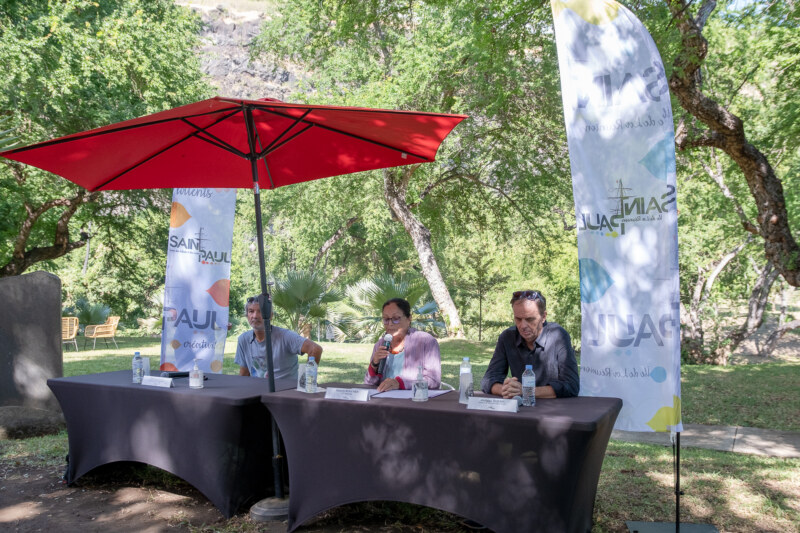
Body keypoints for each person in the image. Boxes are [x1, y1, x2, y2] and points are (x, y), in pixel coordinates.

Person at [481, 290, 579, 399]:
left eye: (530, 319)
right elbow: (487, 380)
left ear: (543, 317)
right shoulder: (507, 337)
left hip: (552, 411)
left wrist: (526, 391)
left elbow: (572, 386)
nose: (523, 325)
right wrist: (506, 390)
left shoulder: (558, 336)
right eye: (518, 319)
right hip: (520, 410)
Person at [235, 296, 322, 381]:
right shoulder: (243, 339)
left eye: (261, 311)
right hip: (258, 391)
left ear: (271, 316)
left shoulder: (285, 336)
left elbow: (315, 349)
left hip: (285, 392)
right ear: (247, 315)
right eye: (251, 311)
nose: (255, 316)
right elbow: (244, 374)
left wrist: (307, 380)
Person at [364, 298, 441, 392]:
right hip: (383, 400)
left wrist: (400, 383)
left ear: (409, 319)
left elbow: (433, 381)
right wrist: (374, 364)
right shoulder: (380, 344)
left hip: (413, 402)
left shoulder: (426, 341)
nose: (390, 324)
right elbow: (368, 385)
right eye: (386, 319)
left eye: (396, 319)